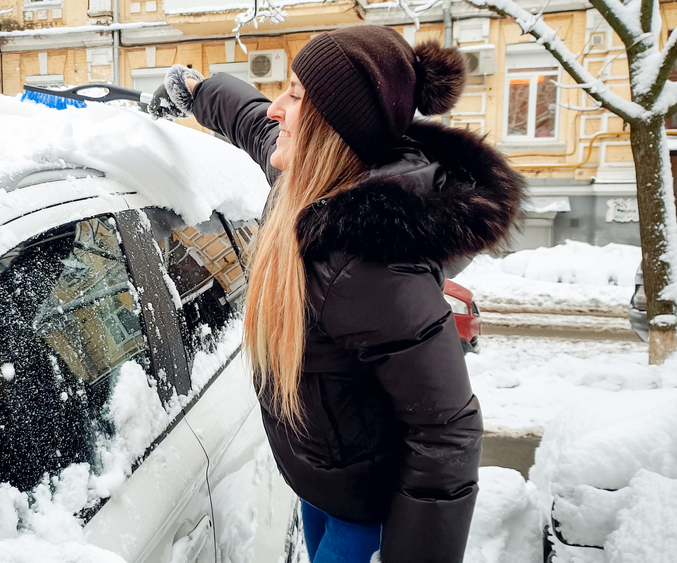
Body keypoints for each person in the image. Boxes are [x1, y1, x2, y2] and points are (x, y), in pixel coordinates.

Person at [149, 26, 526, 563]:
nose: (278, 107)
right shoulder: (309, 182)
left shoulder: (366, 265)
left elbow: (446, 434)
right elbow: (254, 120)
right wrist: (198, 89)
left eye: (296, 96)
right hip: (326, 483)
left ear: (334, 127)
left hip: (364, 515)